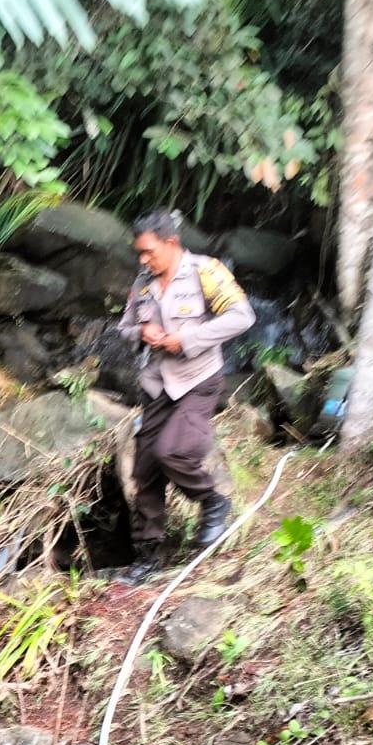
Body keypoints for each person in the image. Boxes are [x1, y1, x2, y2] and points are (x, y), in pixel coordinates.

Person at [115, 208, 255, 581]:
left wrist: (187, 340)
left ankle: (213, 502)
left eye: (149, 252)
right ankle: (147, 559)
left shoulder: (206, 272)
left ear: (172, 243)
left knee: (171, 451)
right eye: (139, 254)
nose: (144, 260)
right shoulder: (143, 283)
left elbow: (242, 316)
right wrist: (141, 333)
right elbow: (124, 327)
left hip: (197, 379)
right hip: (156, 383)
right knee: (145, 472)